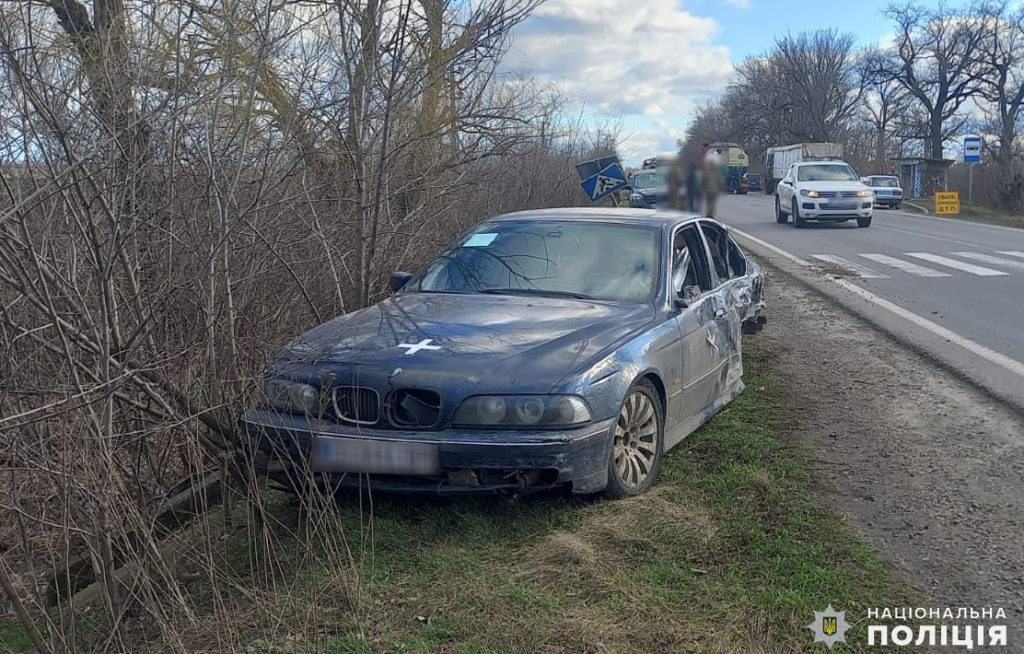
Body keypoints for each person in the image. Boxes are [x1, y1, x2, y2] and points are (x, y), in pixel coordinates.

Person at [701, 150, 724, 218]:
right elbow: (720, 180)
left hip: (708, 189)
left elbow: (703, 180)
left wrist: (703, 187)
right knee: (713, 202)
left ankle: (708, 214)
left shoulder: (706, 171)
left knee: (708, 202)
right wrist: (721, 188)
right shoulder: (717, 171)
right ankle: (711, 214)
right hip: (714, 189)